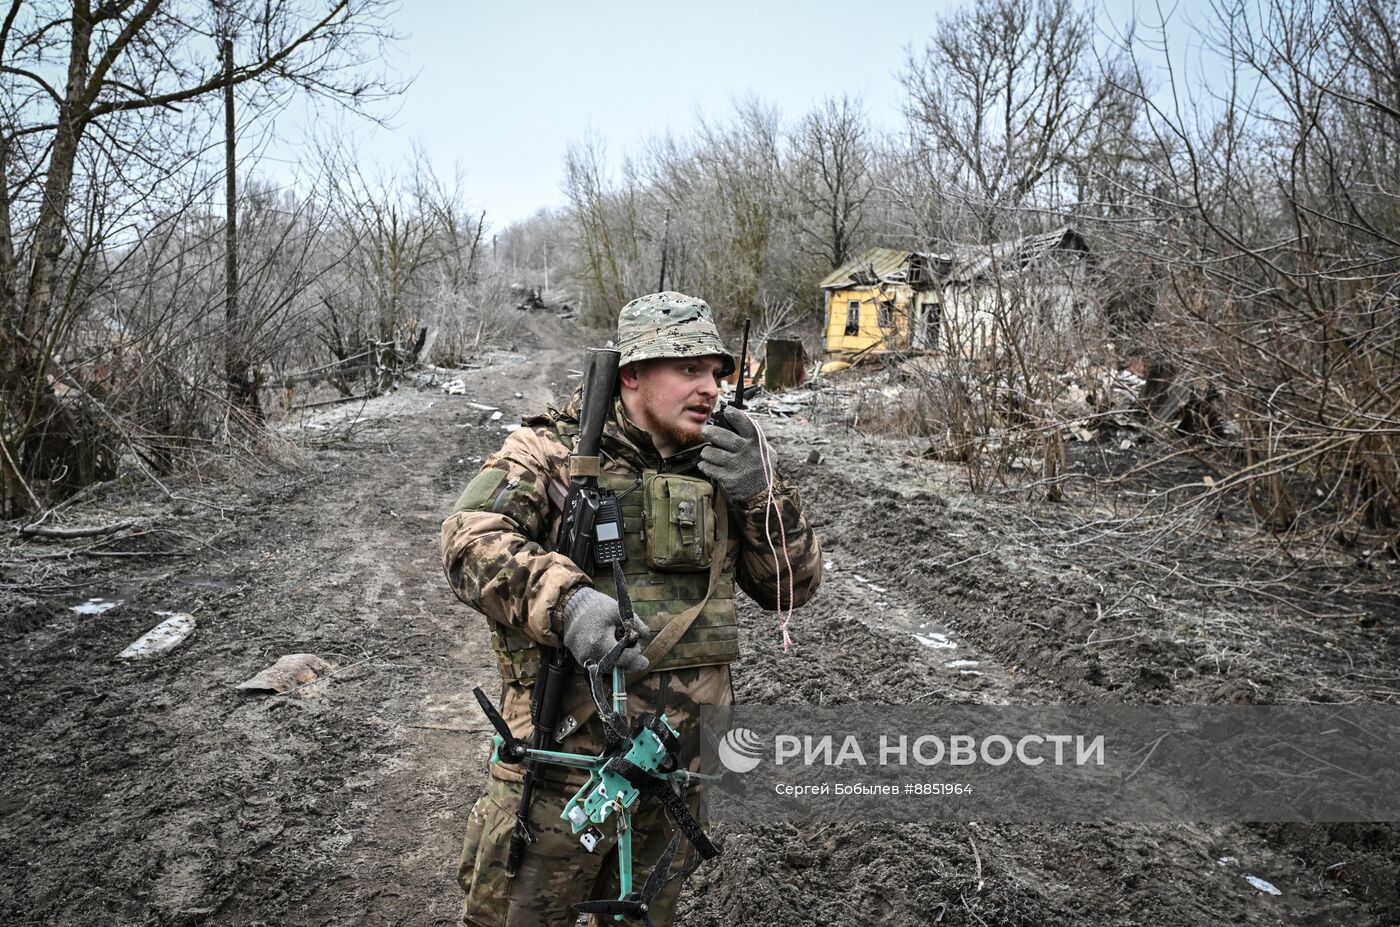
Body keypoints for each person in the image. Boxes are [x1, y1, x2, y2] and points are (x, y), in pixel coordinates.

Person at [441, 291, 822, 927]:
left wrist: (762, 495)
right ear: (633, 376)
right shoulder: (554, 453)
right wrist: (566, 603)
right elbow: (467, 542)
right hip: (564, 767)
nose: (709, 389)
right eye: (688, 369)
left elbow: (794, 589)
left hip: (676, 768)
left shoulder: (728, 461)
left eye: (716, 372)